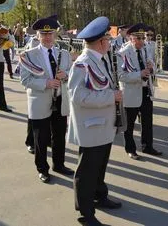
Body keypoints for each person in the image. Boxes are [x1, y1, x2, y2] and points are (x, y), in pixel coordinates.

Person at [67, 16, 123, 226]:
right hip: (91, 128)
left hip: (103, 126)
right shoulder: (82, 64)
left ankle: (100, 196)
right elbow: (77, 97)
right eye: (108, 39)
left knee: (100, 167)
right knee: (87, 172)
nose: (110, 43)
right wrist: (112, 97)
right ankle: (85, 213)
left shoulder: (100, 60)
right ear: (100, 42)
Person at [20, 15, 74, 183]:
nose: (47, 37)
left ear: (55, 34)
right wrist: (46, 83)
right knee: (41, 138)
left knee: (59, 136)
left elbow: (72, 74)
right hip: (40, 101)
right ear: (37, 36)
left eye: (50, 33)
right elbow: (25, 80)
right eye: (43, 34)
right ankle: (42, 168)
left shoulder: (64, 54)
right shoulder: (28, 55)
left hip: (59, 100)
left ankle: (59, 164)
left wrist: (66, 75)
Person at [117, 23, 162, 160]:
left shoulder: (145, 49)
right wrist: (139, 74)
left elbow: (152, 65)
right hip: (131, 92)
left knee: (147, 121)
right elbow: (121, 76)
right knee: (129, 123)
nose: (142, 41)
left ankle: (147, 146)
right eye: (139, 38)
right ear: (131, 38)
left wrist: (152, 67)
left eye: (143, 38)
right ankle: (130, 149)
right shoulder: (122, 53)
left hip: (146, 90)